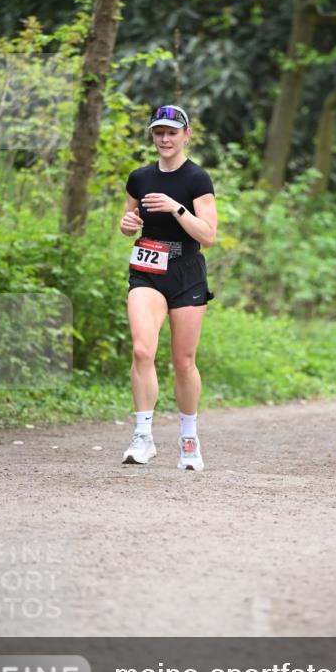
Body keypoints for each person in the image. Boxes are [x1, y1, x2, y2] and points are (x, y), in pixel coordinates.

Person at [120, 104, 217, 470]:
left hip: (186, 271)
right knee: (142, 350)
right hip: (147, 269)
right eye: (158, 132)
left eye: (172, 133)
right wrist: (128, 225)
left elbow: (208, 235)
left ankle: (189, 438)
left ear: (186, 136)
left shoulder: (197, 179)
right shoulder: (140, 177)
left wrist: (177, 208)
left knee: (183, 361)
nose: (164, 139)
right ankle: (142, 436)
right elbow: (128, 220)